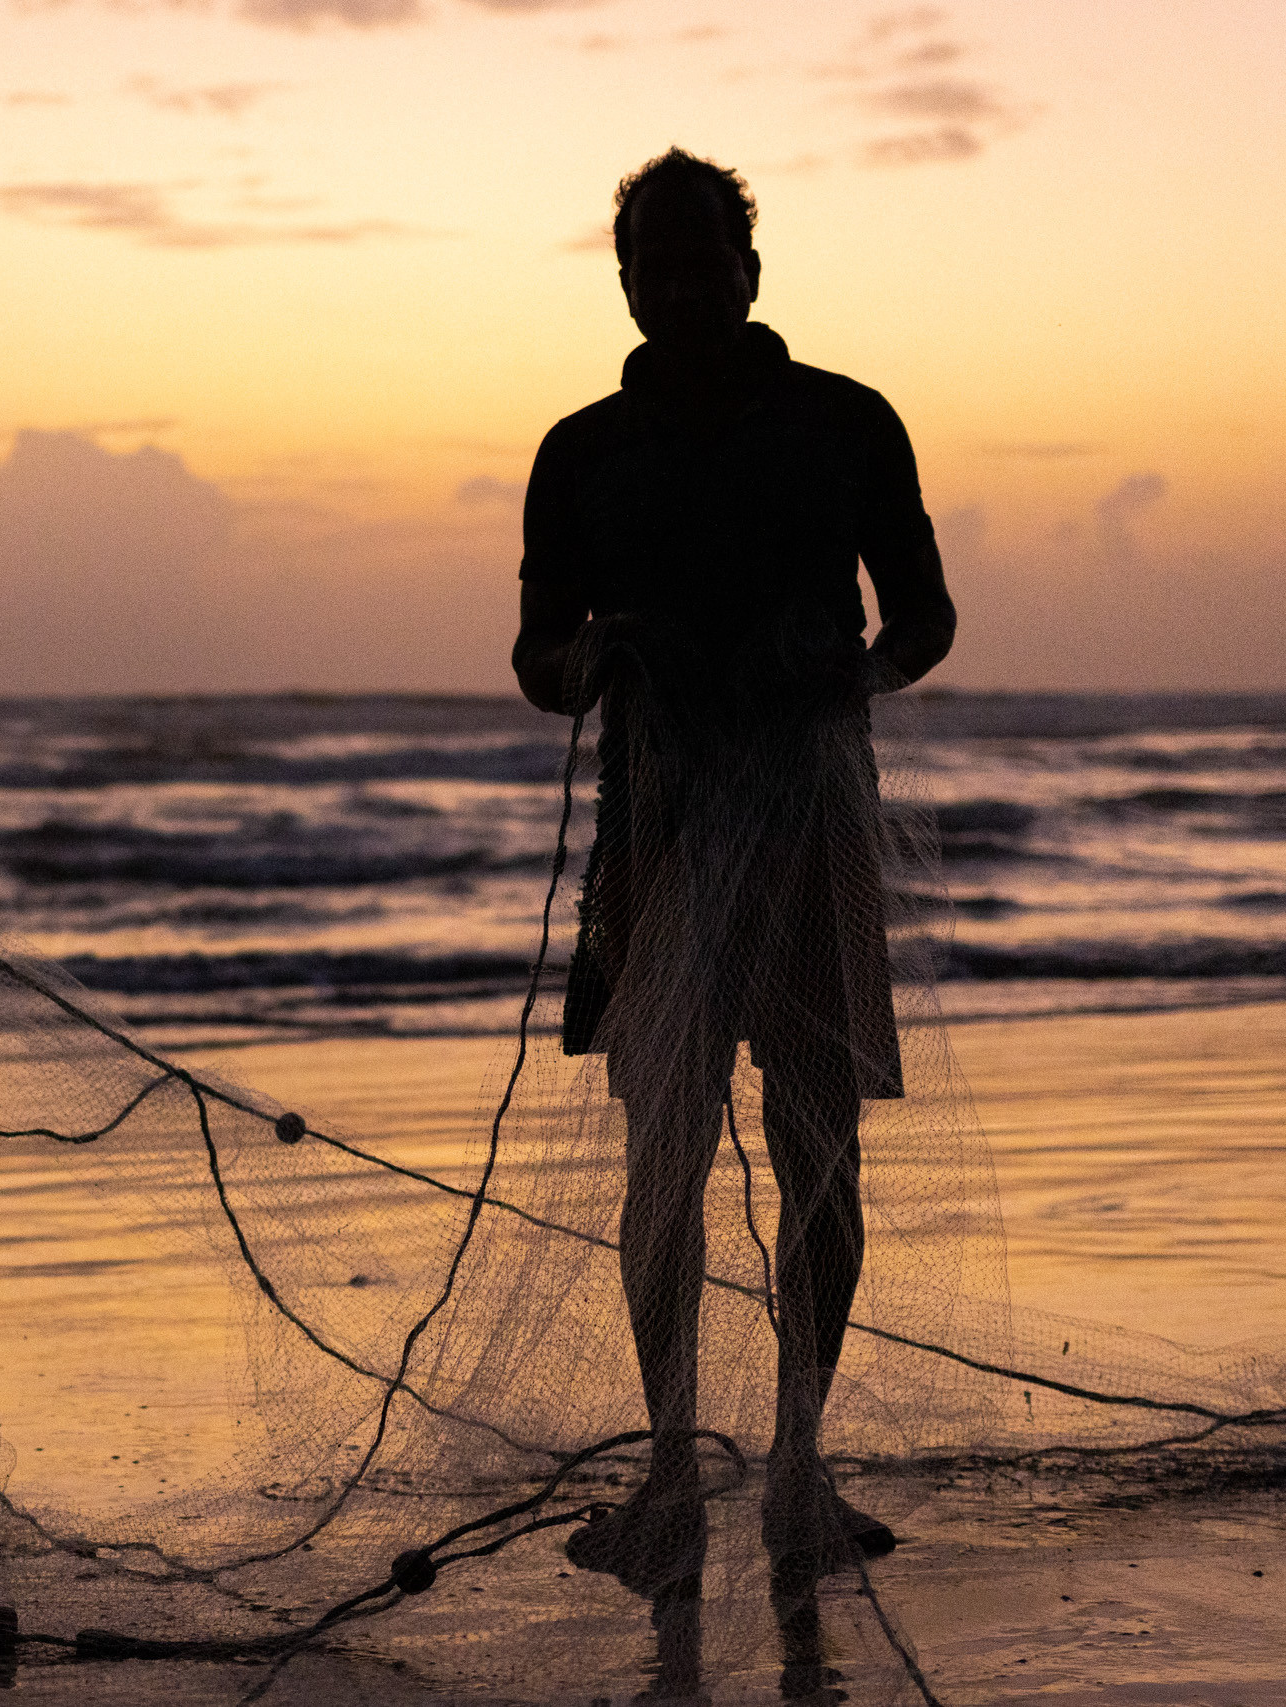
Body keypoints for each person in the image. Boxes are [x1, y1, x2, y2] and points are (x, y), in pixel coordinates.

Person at [509, 150, 956, 1593]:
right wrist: (599, 655)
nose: (688, 281)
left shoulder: (846, 422)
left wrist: (851, 669)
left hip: (814, 821)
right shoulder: (581, 452)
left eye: (710, 256)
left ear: (752, 272)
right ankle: (665, 1473)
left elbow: (927, 620)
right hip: (655, 832)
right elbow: (538, 661)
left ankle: (804, 1464)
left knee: (823, 1139)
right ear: (628, 281)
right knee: (664, 1154)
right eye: (660, 259)